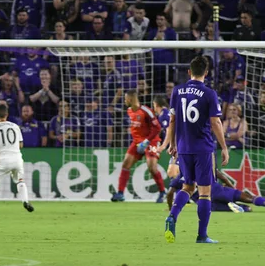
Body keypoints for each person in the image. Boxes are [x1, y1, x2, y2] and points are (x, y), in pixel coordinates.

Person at [164, 55, 229, 244]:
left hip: (184, 147)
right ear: (206, 73)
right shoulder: (209, 93)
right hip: (203, 148)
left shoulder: (177, 91)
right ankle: (202, 235)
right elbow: (215, 122)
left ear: (189, 72)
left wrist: (173, 144)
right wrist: (224, 147)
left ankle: (172, 216)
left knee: (187, 186)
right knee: (205, 192)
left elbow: (173, 120)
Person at [111, 90, 165, 203]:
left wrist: (146, 141)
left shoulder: (146, 111)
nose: (124, 101)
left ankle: (162, 192)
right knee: (126, 163)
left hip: (151, 142)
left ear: (130, 99)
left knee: (152, 167)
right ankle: (120, 193)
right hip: (136, 142)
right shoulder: (129, 111)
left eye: (125, 99)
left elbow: (157, 128)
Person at [168, 172, 265, 213]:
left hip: (208, 202)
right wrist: (231, 187)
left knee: (246, 209)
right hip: (218, 190)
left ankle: (244, 208)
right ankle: (260, 202)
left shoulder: (180, 177)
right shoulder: (203, 163)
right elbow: (220, 175)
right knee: (251, 198)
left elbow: (170, 193)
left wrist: (170, 208)